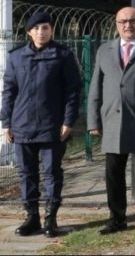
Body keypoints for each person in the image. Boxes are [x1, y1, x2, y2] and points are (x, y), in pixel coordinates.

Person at [87, 7, 135, 237]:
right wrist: (93, 120)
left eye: (133, 21)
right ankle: (117, 219)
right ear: (116, 24)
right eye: (123, 21)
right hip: (112, 122)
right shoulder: (104, 51)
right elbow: (95, 88)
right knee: (113, 176)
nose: (128, 25)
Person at [1, 12, 81, 238]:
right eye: (36, 28)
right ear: (29, 32)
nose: (41, 32)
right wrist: (6, 123)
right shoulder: (16, 57)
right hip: (22, 125)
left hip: (52, 126)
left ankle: (50, 219)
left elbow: (73, 92)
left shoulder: (63, 55)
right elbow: (8, 92)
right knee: (26, 173)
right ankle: (32, 217)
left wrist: (68, 121)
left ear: (51, 30)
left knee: (52, 173)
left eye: (45, 27)